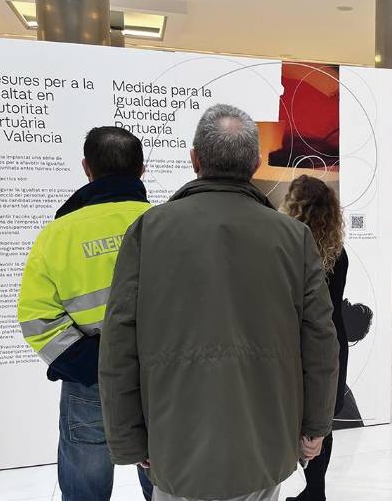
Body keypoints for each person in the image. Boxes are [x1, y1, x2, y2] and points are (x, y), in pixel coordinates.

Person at [98, 104, 339, 501]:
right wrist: (315, 428)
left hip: (175, 444)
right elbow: (320, 342)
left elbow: (119, 344)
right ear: (257, 163)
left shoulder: (148, 231)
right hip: (265, 441)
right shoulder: (293, 238)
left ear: (194, 159)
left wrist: (130, 440)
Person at [17, 126, 153, 501]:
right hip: (160, 382)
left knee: (84, 492)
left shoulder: (57, 235)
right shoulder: (167, 224)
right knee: (167, 486)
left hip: (90, 384)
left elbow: (37, 318)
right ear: (142, 169)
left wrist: (97, 364)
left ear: (86, 168)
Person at [281, 175, 347, 501]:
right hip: (333, 344)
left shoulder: (287, 253)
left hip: (297, 348)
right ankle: (315, 491)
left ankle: (309, 490)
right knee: (323, 423)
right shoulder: (339, 254)